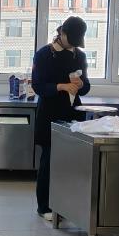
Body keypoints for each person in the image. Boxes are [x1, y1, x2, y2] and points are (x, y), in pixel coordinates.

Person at [31, 16, 91, 221]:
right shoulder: (44, 54)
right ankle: (44, 206)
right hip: (50, 111)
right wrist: (61, 86)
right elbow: (38, 86)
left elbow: (86, 86)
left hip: (73, 112)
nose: (73, 45)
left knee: (72, 161)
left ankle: (68, 206)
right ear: (62, 33)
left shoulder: (79, 55)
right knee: (49, 160)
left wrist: (81, 84)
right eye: (70, 40)